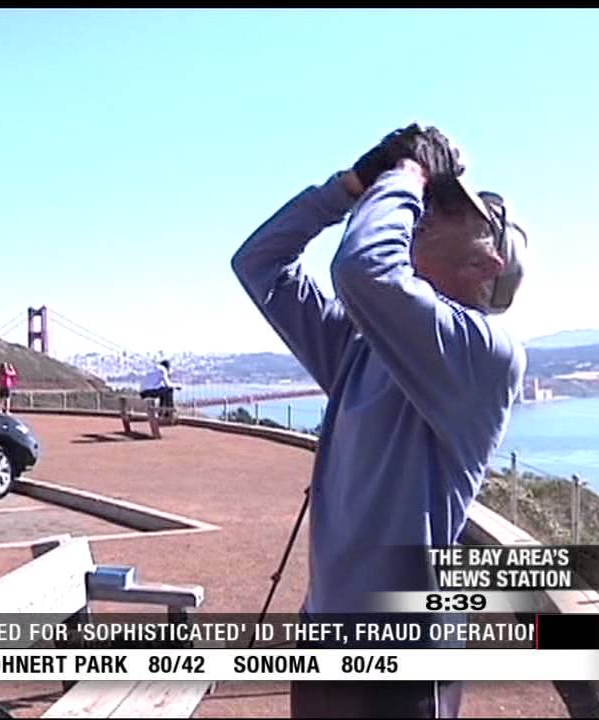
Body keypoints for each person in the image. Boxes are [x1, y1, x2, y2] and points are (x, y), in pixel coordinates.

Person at [231, 124, 528, 718]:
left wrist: (409, 174)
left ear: (490, 259)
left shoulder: (484, 352)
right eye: (429, 202)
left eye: (450, 212)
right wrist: (349, 186)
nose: (426, 212)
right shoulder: (366, 346)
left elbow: (364, 267)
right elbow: (258, 262)